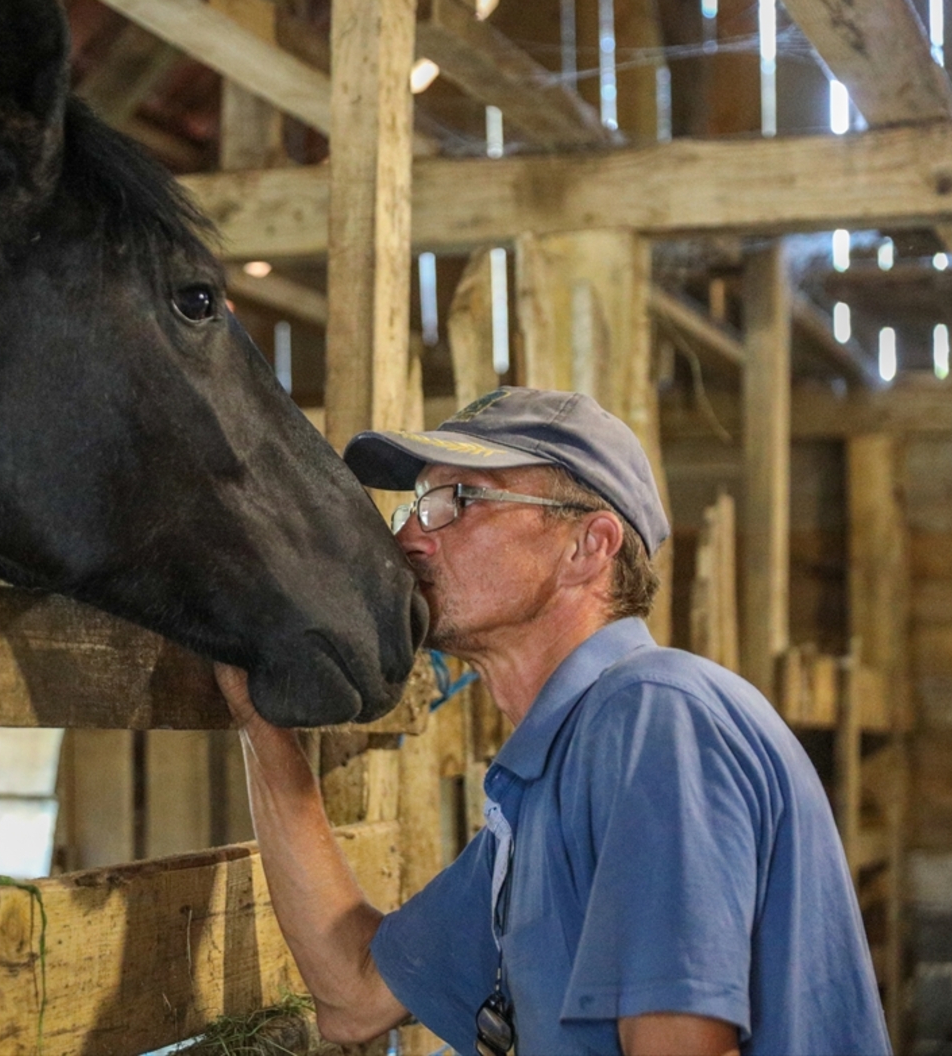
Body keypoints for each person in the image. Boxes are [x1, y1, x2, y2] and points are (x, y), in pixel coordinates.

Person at [215, 387, 889, 1056]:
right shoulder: (545, 788)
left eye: (460, 501)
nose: (412, 537)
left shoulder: (655, 720)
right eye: (416, 505)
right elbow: (354, 994)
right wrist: (262, 724)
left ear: (588, 547)